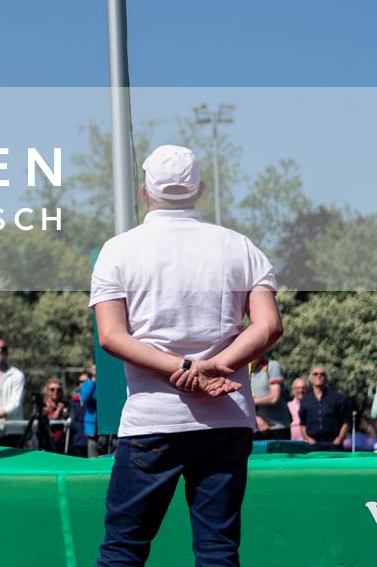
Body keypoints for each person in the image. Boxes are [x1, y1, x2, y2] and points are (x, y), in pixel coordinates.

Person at [89, 144, 282, 567]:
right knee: (217, 548)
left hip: (153, 420)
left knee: (124, 548)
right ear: (202, 189)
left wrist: (184, 368)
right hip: (227, 415)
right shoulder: (240, 247)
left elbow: (111, 336)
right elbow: (268, 327)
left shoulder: (118, 250)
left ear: (144, 192)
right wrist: (213, 365)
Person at [297, 367, 352, 450]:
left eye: (322, 374)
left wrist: (339, 439)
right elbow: (302, 423)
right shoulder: (305, 400)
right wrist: (308, 439)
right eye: (315, 374)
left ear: (327, 378)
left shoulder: (338, 398)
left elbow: (346, 421)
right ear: (311, 378)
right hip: (312, 445)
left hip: (333, 445)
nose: (319, 376)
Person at [248, 355, 288, 439]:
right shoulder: (245, 370)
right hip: (256, 428)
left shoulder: (272, 366)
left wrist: (249, 401)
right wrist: (256, 419)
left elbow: (274, 398)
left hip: (278, 428)